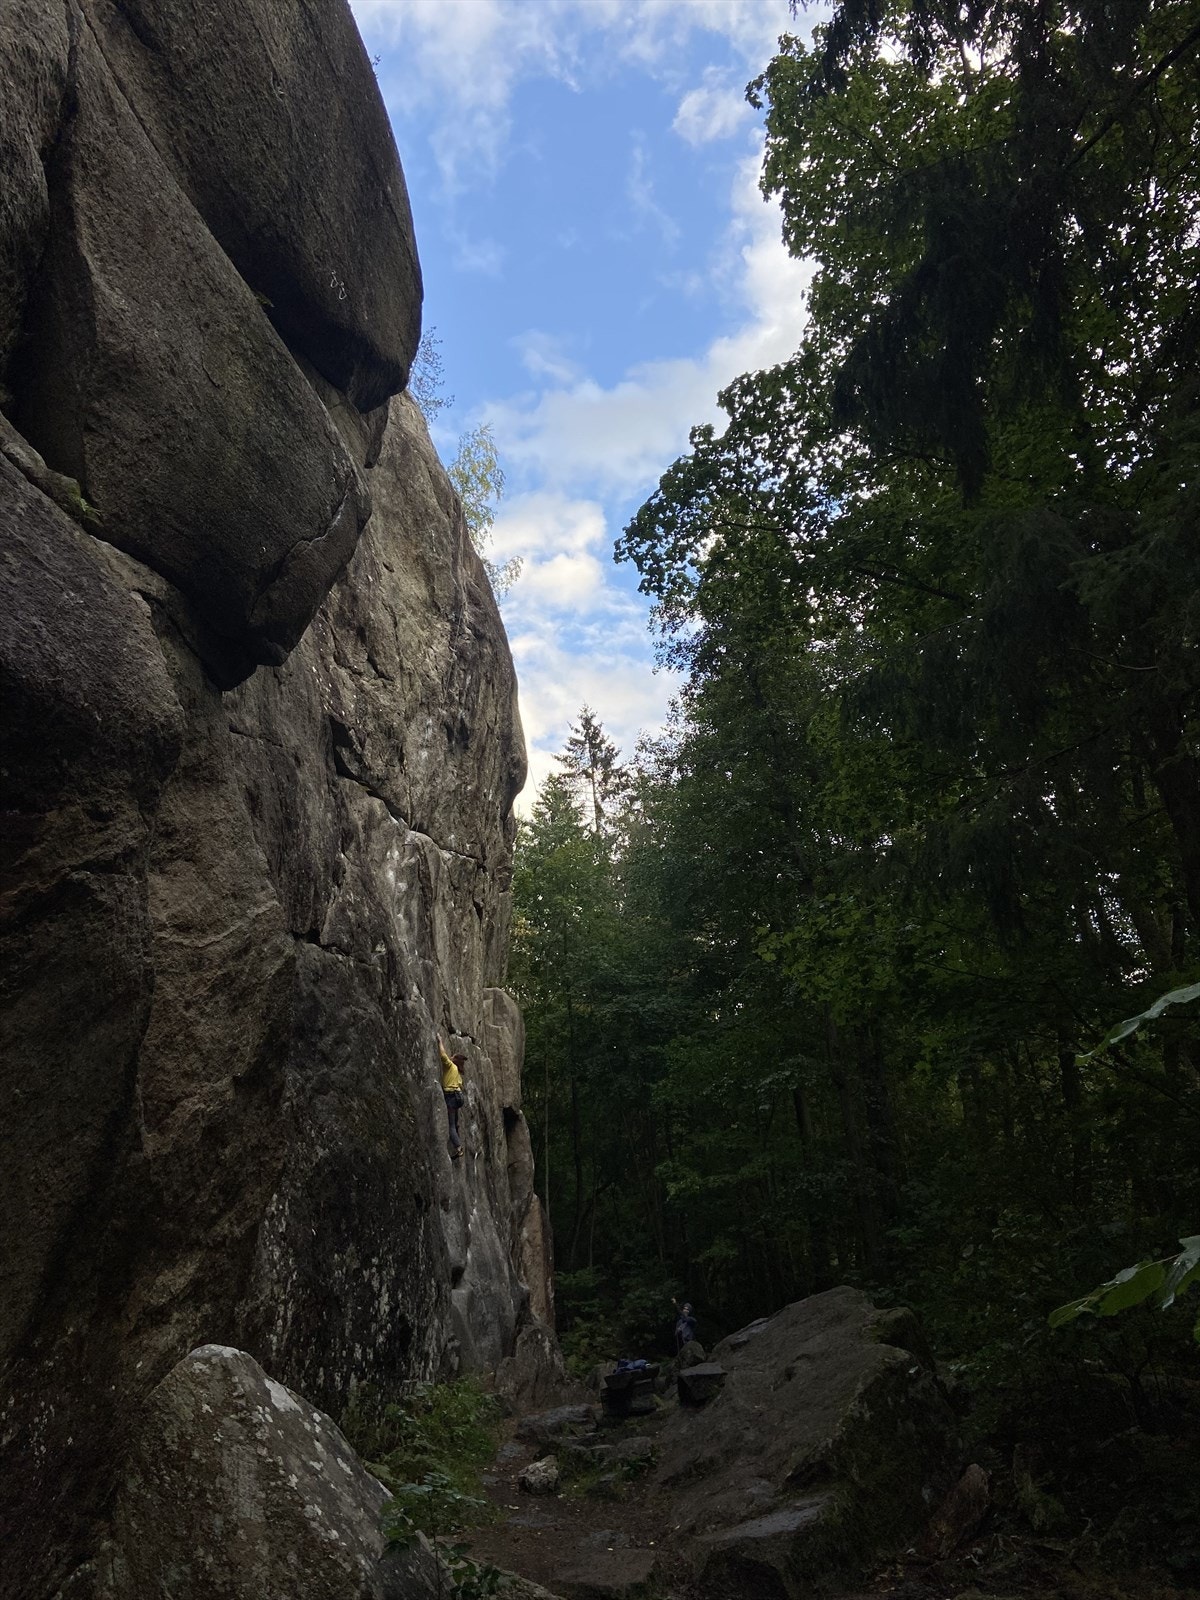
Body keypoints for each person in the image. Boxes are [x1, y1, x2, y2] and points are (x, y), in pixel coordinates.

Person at [438, 1034, 467, 1160]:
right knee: (454, 1122)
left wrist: (440, 1041)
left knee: (451, 1127)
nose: (450, 1057)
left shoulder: (451, 1066)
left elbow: (443, 1056)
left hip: (451, 1096)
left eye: (453, 1057)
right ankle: (457, 1134)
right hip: (458, 1097)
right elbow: (460, 1084)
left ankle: (459, 1148)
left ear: (454, 1060)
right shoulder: (458, 1072)